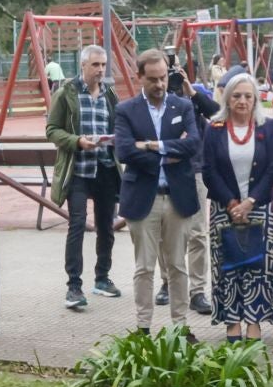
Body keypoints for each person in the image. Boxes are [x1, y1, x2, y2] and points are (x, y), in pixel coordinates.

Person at [113, 50, 201, 335]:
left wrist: (150, 146)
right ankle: (143, 328)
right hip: (143, 198)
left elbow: (193, 145)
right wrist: (169, 151)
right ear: (140, 77)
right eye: (153, 79)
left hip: (178, 198)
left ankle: (181, 327)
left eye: (163, 77)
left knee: (177, 265)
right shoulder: (126, 110)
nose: (160, 84)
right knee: (144, 267)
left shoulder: (183, 106)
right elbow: (124, 150)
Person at [201, 74, 273, 340]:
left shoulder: (268, 127)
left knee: (256, 266)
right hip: (225, 209)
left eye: (248, 96)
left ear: (256, 99)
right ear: (227, 98)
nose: (242, 101)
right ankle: (232, 321)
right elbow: (209, 170)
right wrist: (232, 202)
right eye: (236, 96)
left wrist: (250, 202)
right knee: (229, 265)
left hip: (258, 207)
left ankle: (254, 321)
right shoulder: (214, 128)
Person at [47, 44, 124, 311]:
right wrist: (77, 141)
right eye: (95, 65)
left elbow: (119, 127)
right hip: (77, 170)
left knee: (106, 226)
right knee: (77, 225)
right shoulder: (65, 93)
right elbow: (52, 130)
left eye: (103, 65)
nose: (100, 70)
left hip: (104, 169)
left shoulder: (110, 95)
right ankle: (74, 287)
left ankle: (102, 278)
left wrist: (115, 140)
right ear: (83, 66)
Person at [167, 57, 220, 315]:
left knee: (198, 232)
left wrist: (190, 90)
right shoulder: (155, 97)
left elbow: (218, 113)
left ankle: (197, 290)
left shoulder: (195, 97)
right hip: (166, 171)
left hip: (195, 170)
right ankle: (167, 283)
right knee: (166, 234)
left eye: (177, 68)